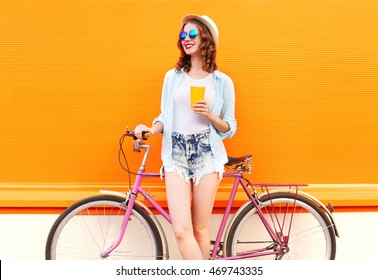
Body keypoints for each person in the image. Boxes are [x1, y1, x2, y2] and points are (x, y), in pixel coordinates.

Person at [134, 14, 236, 260]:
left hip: (206, 153)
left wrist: (210, 115)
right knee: (181, 230)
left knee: (201, 230)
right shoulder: (173, 77)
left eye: (192, 34)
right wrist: (150, 129)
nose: (186, 39)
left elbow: (229, 127)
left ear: (206, 39)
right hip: (176, 153)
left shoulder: (222, 82)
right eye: (183, 35)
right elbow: (165, 118)